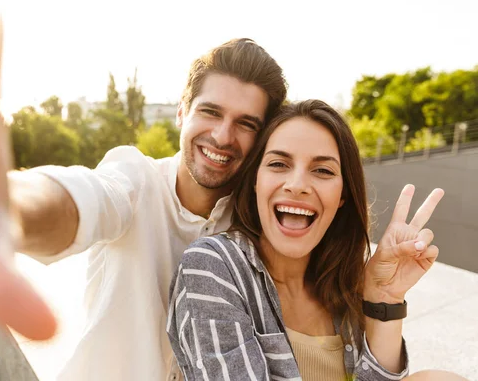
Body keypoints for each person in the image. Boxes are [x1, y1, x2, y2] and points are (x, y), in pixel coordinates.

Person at [0, 0, 288, 378]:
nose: (222, 136)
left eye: (246, 123)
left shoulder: (262, 224)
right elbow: (81, 199)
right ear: (182, 112)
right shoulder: (134, 180)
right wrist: (7, 205)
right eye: (211, 112)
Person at [167, 100, 464, 380]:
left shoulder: (341, 283)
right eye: (278, 164)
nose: (297, 185)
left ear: (342, 195)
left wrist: (384, 298)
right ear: (256, 181)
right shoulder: (213, 267)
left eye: (322, 170)